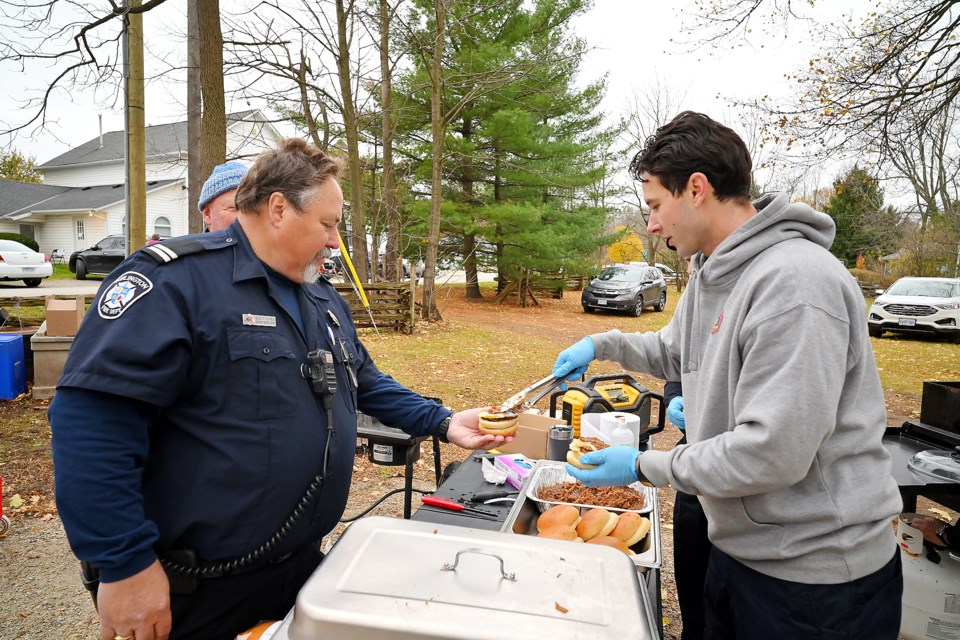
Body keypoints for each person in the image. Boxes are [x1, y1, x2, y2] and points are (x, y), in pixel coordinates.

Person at [49, 138, 510, 640]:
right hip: (199, 590)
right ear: (277, 209)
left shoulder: (318, 293)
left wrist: (441, 421)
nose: (336, 242)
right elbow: (92, 426)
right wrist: (124, 565)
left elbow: (365, 380)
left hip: (299, 570)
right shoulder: (176, 284)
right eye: (329, 225)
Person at [553, 112, 903, 639]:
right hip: (740, 549)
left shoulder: (795, 283)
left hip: (817, 580)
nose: (650, 224)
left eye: (654, 206)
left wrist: (646, 465)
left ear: (696, 189)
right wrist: (601, 344)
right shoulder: (709, 271)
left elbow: (773, 452)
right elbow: (675, 352)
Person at [664, 380, 712, 640]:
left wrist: (649, 466)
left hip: (746, 487)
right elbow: (678, 368)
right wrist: (674, 395)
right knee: (691, 571)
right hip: (692, 471)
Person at [198, 160, 248, 232]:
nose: (245, 217)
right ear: (207, 214)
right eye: (233, 208)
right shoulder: (187, 243)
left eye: (250, 209)